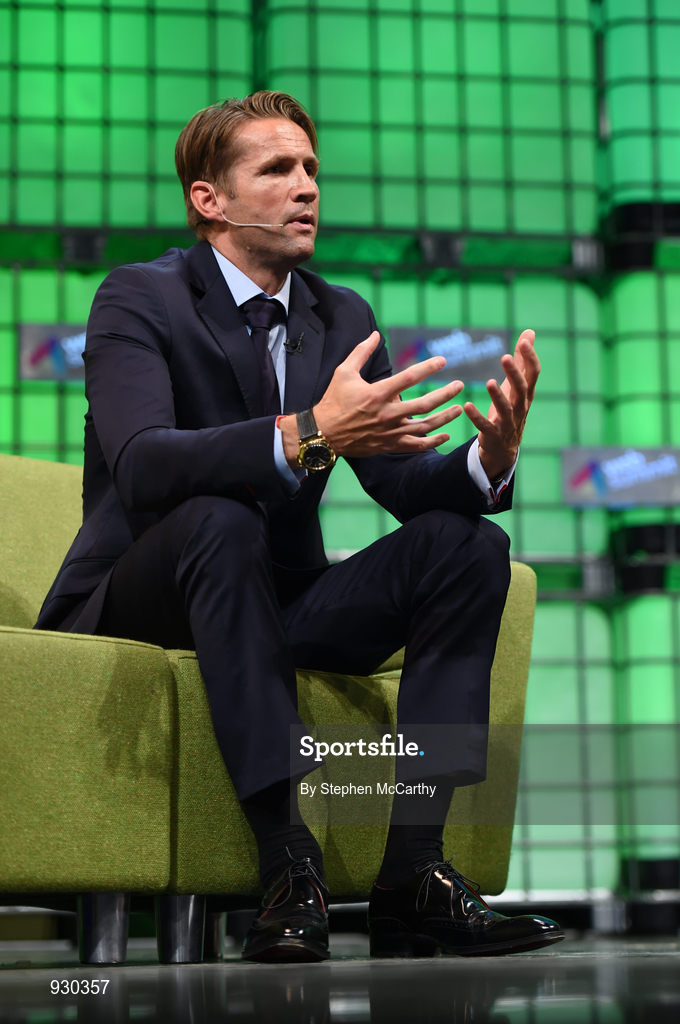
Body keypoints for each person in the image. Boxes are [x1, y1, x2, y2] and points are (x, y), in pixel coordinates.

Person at [35, 91, 563, 962]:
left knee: (469, 547)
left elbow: (403, 485)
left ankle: (415, 876)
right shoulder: (140, 296)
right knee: (218, 517)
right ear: (211, 200)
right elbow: (142, 464)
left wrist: (488, 460)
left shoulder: (342, 315)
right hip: (146, 584)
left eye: (311, 169)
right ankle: (287, 861)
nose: (306, 186)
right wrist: (310, 431)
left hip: (275, 593)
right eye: (278, 169)